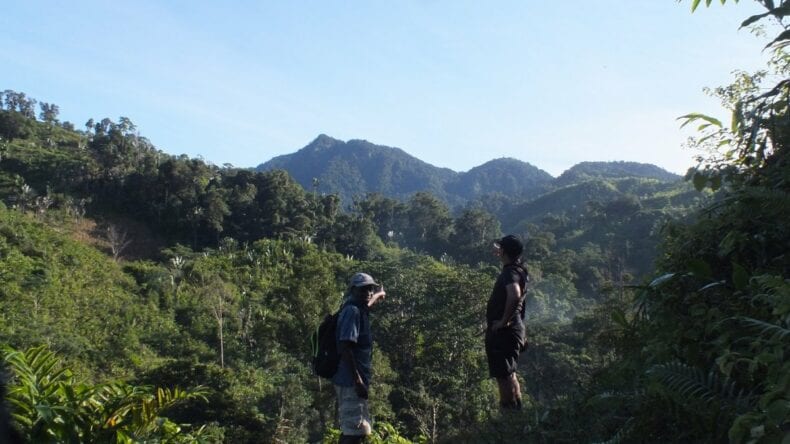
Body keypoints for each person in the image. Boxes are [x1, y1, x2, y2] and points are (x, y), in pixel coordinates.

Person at [333, 272, 386, 443]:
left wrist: (378, 295)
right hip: (351, 382)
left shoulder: (356, 307)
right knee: (354, 431)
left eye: (370, 288)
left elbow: (368, 304)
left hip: (353, 381)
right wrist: (358, 381)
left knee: (359, 428)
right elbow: (345, 347)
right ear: (353, 290)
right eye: (363, 289)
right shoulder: (353, 312)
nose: (368, 292)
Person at [485, 234, 529, 410]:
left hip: (504, 333)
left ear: (504, 251)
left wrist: (503, 321)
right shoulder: (519, 269)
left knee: (504, 377)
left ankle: (508, 415)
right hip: (514, 329)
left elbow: (515, 294)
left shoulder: (509, 273)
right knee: (510, 374)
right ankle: (517, 413)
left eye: (500, 248)